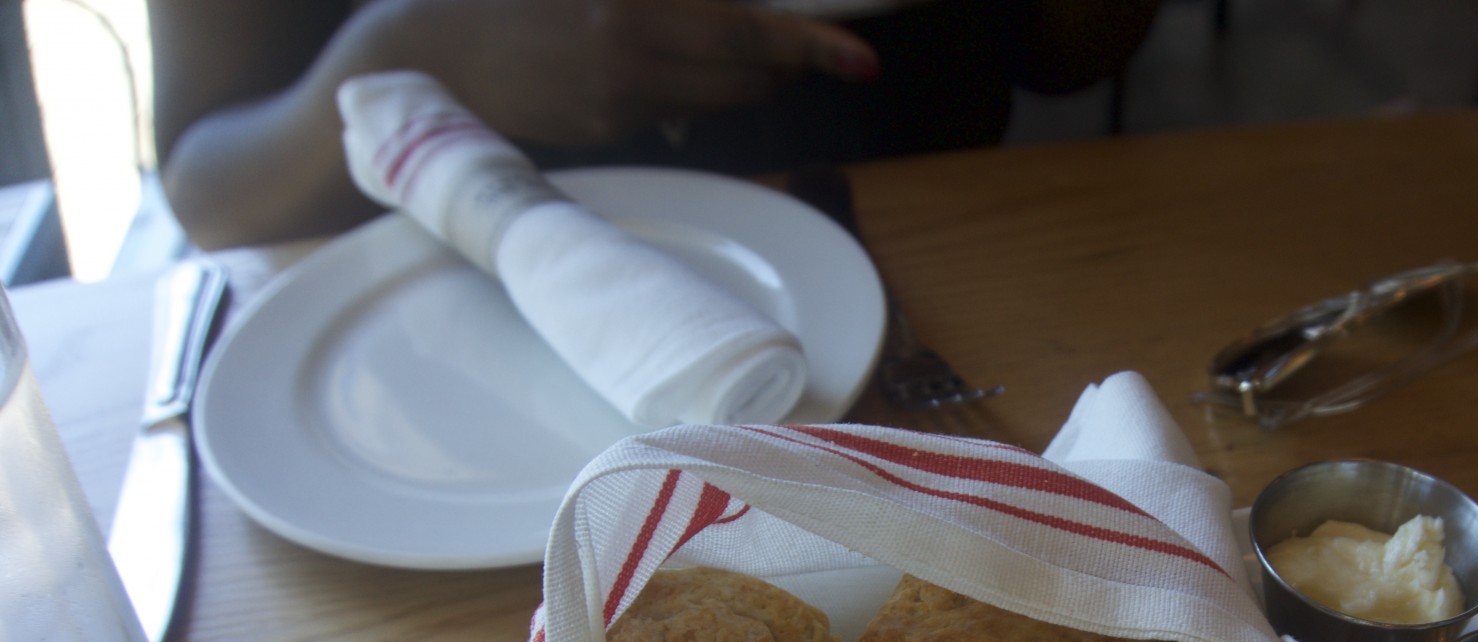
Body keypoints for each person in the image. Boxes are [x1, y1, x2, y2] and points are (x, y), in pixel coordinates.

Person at [150, 0, 1162, 249]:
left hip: (952, 284)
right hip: (453, 360)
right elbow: (207, 189)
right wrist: (417, 48)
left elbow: (1069, 50)